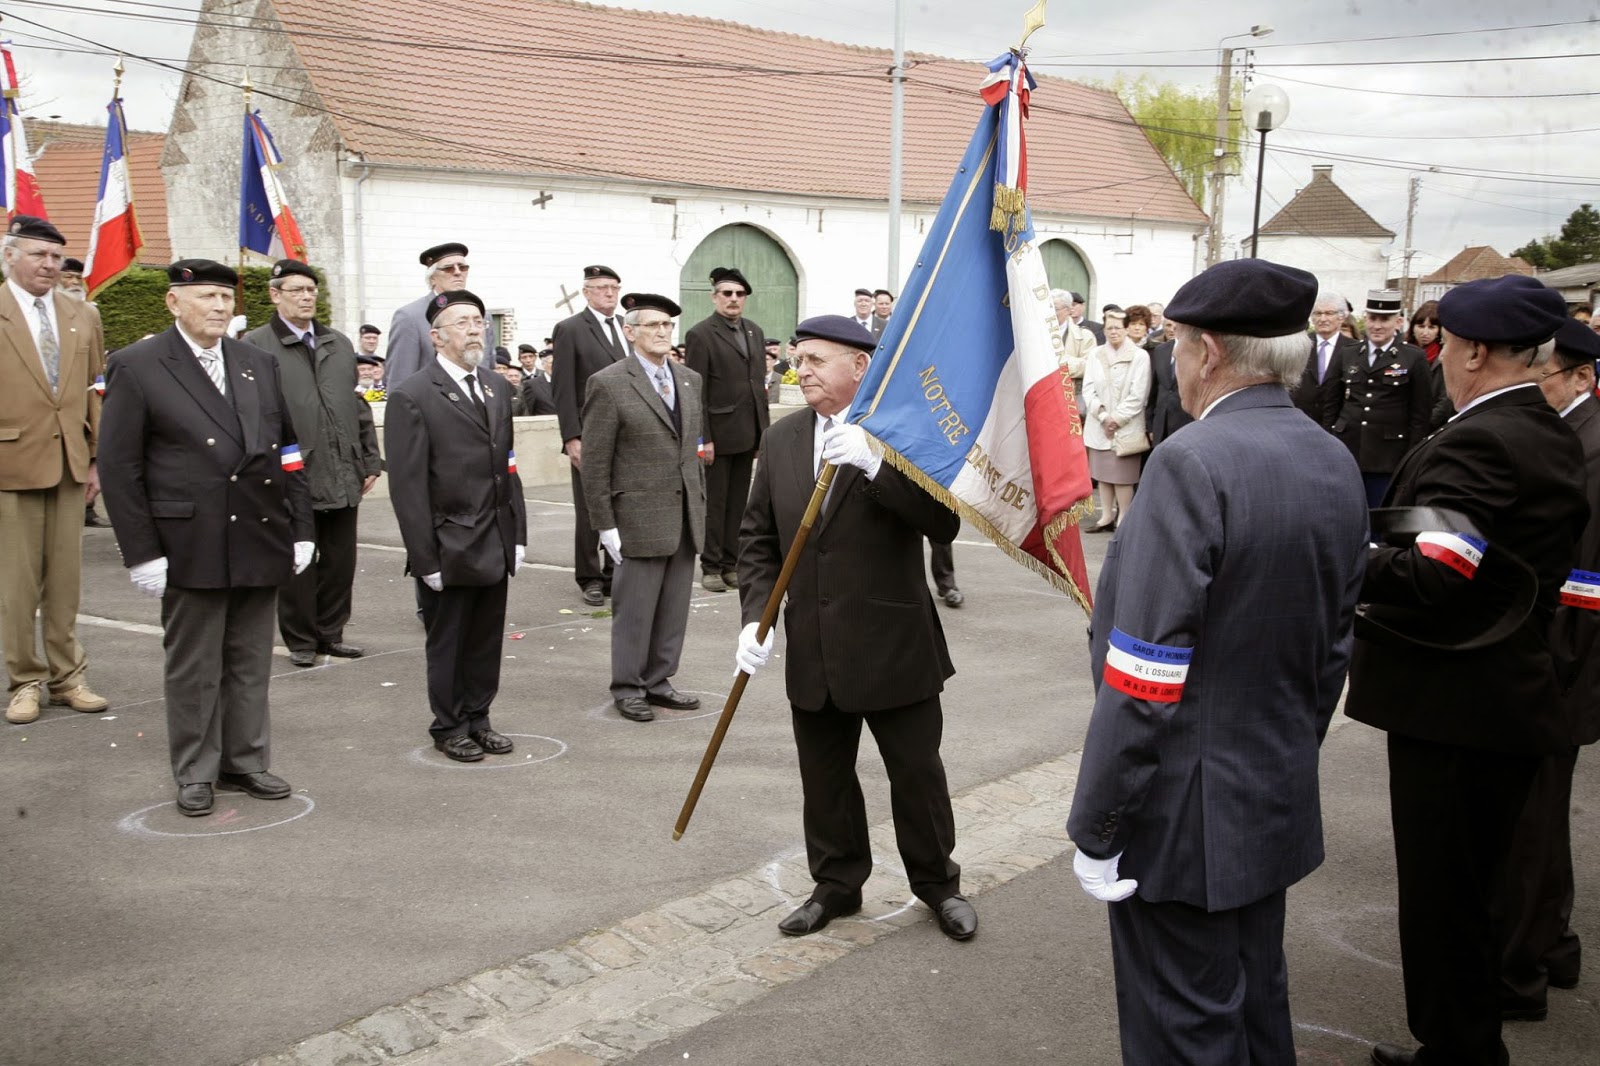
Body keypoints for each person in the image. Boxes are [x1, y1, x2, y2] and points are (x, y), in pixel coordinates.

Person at [1067, 258, 1368, 1065]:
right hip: (1267, 791)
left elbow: (1145, 673)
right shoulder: (1330, 455)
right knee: (1254, 1004)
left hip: (1181, 816)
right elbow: (1331, 647)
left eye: (1174, 345)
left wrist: (1100, 823)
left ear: (1204, 351)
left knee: (1183, 1028)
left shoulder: (1192, 461)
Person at [1345, 275, 1587, 1066]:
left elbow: (1440, 572)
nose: (1438, 357)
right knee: (1473, 893)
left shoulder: (1485, 437)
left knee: (1446, 900)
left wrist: (1350, 559)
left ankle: (1459, 1052)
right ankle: (1462, 1044)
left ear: (1474, 350)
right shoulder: (1536, 425)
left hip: (1458, 705)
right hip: (1496, 698)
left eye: (1443, 344)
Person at [734, 314, 977, 943]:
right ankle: (837, 885)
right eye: (796, 359)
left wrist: (875, 464)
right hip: (813, 645)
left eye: (815, 360)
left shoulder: (900, 434)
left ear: (860, 367)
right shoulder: (784, 437)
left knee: (916, 775)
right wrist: (753, 620)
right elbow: (758, 539)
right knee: (826, 779)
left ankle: (938, 885)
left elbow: (942, 523)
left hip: (893, 645)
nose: (800, 370)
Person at [98, 259, 315, 816]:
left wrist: (301, 528)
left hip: (259, 533)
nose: (220, 307)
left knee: (249, 657)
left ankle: (245, 761)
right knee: (194, 664)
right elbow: (120, 467)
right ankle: (196, 770)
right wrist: (141, 552)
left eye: (225, 297)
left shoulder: (255, 363)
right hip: (188, 539)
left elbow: (287, 452)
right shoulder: (140, 365)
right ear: (174, 303)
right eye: (206, 297)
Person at [1498, 316, 1600, 1023]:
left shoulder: (1589, 446)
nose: (1538, 387)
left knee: (1532, 818)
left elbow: (1584, 576)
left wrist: (1555, 664)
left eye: (1546, 376)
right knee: (1545, 813)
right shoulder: (1578, 434)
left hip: (1566, 651)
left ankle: (1520, 970)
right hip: (1568, 649)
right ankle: (1555, 944)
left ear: (1581, 378)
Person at [384, 290, 528, 763]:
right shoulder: (413, 394)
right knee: (449, 640)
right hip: (448, 542)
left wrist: (518, 534)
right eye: (462, 321)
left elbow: (507, 466)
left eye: (479, 321)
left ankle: (479, 716)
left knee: (486, 637)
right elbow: (407, 487)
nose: (474, 329)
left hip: (493, 537)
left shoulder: (494, 387)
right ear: (436, 335)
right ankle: (448, 725)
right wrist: (424, 558)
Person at [244, 258, 383, 668]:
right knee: (299, 560)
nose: (306, 297)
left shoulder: (337, 343)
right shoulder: (255, 346)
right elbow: (255, 415)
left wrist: (370, 459)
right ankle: (301, 639)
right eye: (296, 290)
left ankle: (331, 633)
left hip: (344, 468)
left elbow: (354, 404)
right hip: (293, 472)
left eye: (311, 291)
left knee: (341, 561)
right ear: (275, 295)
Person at [0, 216, 111, 725]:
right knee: (16, 585)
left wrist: (95, 459)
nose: (49, 266)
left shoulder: (82, 314)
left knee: (65, 582)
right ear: (10, 256)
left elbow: (93, 391)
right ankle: (24, 681)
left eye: (55, 258)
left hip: (69, 461)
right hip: (10, 463)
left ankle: (69, 677)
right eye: (37, 255)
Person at [580, 293, 708, 723]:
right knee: (634, 610)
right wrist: (605, 524)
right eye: (652, 325)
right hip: (636, 517)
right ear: (629, 331)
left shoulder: (689, 380)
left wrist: (699, 506)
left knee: (673, 608)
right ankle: (628, 686)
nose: (661, 332)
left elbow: (688, 451)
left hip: (684, 514)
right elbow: (595, 463)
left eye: (667, 326)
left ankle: (659, 681)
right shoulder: (609, 382)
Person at [683, 266, 768, 594]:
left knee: (739, 504)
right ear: (714, 297)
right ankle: (711, 566)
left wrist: (764, 434)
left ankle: (732, 564)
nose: (733, 300)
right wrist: (702, 439)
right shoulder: (701, 334)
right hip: (717, 435)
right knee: (715, 504)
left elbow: (757, 386)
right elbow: (695, 391)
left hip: (748, 433)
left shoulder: (754, 332)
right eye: (727, 294)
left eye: (739, 294)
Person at [552, 265, 626, 606]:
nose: (609, 293)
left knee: (622, 503)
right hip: (590, 433)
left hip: (627, 434)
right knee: (589, 508)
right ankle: (590, 576)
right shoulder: (571, 329)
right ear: (586, 292)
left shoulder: (628, 327)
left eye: (613, 287)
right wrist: (571, 437)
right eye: (601, 288)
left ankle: (615, 572)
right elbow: (563, 387)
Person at [1322, 289, 1433, 507]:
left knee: (1377, 516)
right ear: (1366, 319)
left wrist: (1411, 459)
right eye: (1372, 318)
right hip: (1348, 448)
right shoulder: (1349, 353)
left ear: (1398, 321)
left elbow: (1420, 413)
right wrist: (1327, 441)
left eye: (1385, 319)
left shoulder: (1413, 357)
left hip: (1388, 455)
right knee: (1345, 510)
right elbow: (1331, 404)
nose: (1377, 325)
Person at [1080, 310, 1151, 532]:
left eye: (1118, 328)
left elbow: (1139, 393)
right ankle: (1106, 517)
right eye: (1109, 328)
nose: (1113, 332)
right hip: (1099, 423)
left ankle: (1124, 519)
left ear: (1126, 329)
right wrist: (1102, 415)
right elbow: (1088, 388)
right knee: (1103, 475)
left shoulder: (1140, 356)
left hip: (1126, 426)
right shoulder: (1095, 354)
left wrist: (1117, 419)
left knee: (1122, 478)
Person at [384, 242, 471, 389]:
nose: (458, 272)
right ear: (432, 278)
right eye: (448, 268)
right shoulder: (410, 317)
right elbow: (400, 380)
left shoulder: (481, 316)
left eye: (463, 267)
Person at [1296, 290, 1360, 422]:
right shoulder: (1300, 345)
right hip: (1302, 420)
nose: (1323, 319)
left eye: (1329, 313)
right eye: (1318, 313)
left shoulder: (1355, 349)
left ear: (1342, 317)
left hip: (1338, 423)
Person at [1406, 299, 1454, 430]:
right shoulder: (1402, 353)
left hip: (1430, 426)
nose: (1425, 333)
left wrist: (1424, 425)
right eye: (1421, 326)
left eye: (1431, 327)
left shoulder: (1445, 357)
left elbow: (1445, 400)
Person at [1051, 288, 1096, 405]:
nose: (1050, 312)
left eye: (1055, 309)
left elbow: (1090, 365)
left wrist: (1059, 365)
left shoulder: (1084, 336)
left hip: (1070, 399)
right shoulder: (1037, 334)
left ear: (1068, 310)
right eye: (1047, 308)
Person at [519, 344, 557, 415]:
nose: (554, 366)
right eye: (551, 363)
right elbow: (528, 410)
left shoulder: (568, 383)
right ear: (543, 364)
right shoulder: (533, 385)